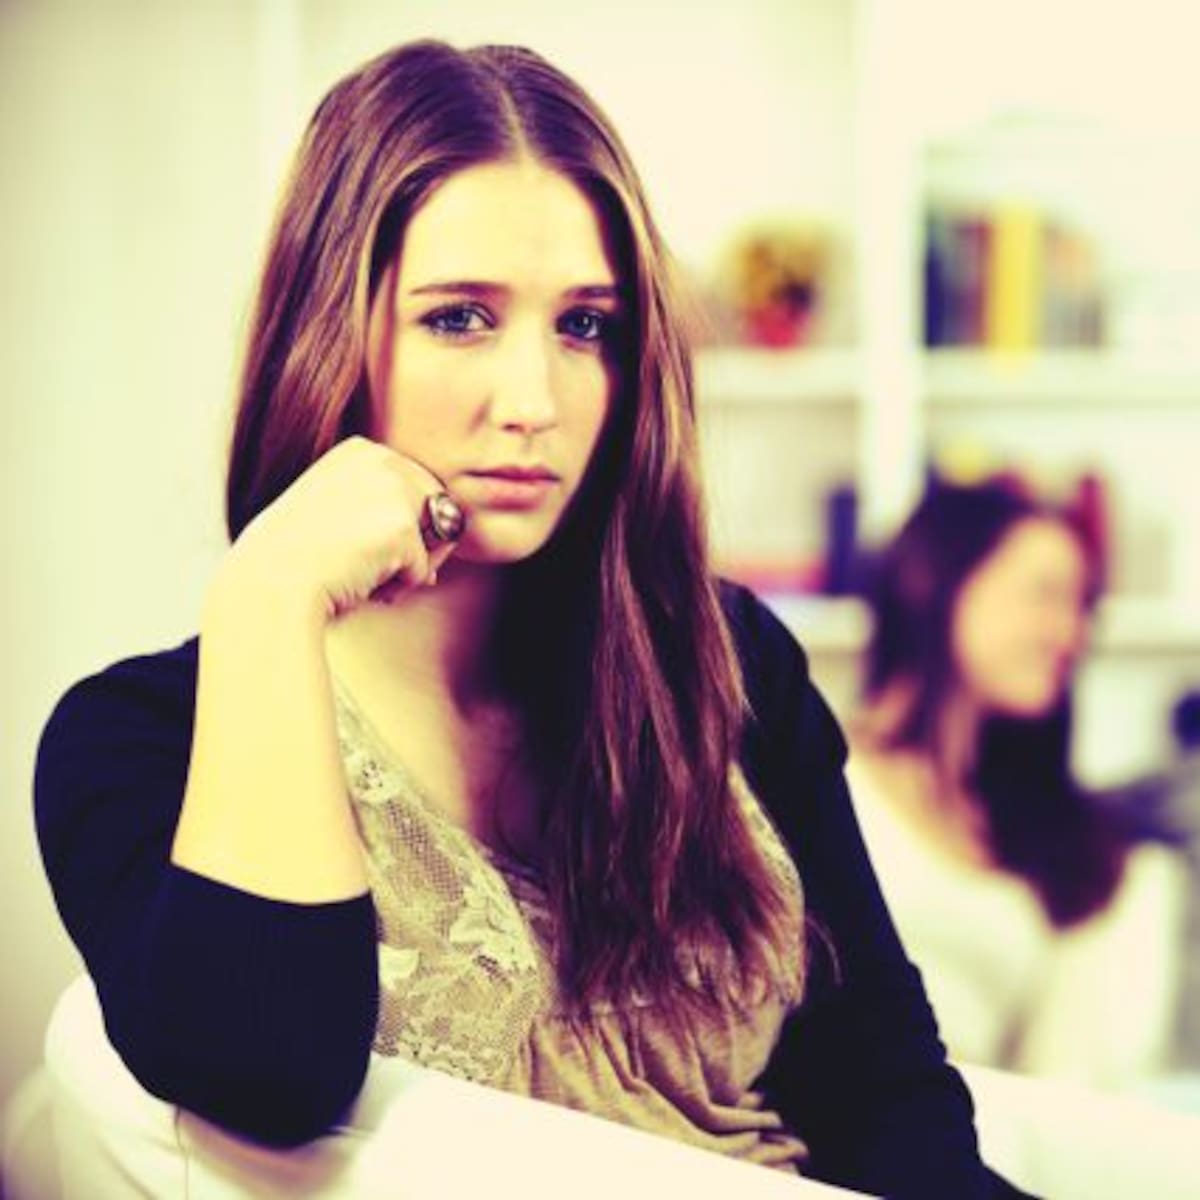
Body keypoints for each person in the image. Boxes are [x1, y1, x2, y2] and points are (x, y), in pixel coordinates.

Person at [34, 40, 1026, 1198]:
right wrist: (268, 591)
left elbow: (884, 1094)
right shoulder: (132, 743)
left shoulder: (728, 659)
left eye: (586, 326)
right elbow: (266, 1078)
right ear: (327, 331)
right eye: (460, 318)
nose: (535, 402)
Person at [847, 478, 1186, 1089]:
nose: (1070, 634)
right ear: (934, 583)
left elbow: (1064, 1077)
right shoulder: (822, 775)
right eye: (1044, 595)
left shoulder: (1043, 838)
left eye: (1081, 607)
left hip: (974, 1130)